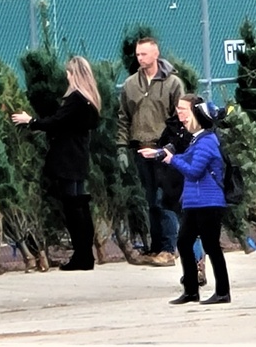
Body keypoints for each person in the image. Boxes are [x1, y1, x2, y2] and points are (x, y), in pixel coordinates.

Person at [11, 56, 102, 271]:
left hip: (68, 158)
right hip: (78, 157)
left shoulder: (76, 99)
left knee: (73, 208)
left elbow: (57, 122)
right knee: (80, 205)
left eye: (69, 73)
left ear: (74, 75)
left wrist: (31, 121)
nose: (67, 77)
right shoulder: (90, 100)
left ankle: (81, 256)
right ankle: (85, 255)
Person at [144, 94, 230, 305]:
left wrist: (171, 159)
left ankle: (222, 292)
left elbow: (193, 170)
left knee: (211, 247)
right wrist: (160, 154)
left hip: (208, 203)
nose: (180, 115)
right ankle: (191, 291)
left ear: (197, 114)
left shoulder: (207, 141)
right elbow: (185, 158)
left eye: (184, 110)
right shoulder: (196, 140)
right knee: (183, 243)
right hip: (194, 202)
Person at [117, 37, 184, 267]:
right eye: (137, 54)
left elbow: (180, 119)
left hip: (163, 149)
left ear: (156, 54)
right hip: (140, 148)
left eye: (144, 54)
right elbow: (123, 118)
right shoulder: (130, 85)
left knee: (163, 198)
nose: (140, 58)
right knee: (150, 200)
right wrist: (121, 149)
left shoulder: (173, 83)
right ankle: (156, 247)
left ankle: (168, 248)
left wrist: (172, 147)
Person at [152, 97, 206, 286]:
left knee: (193, 229)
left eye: (184, 108)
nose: (179, 112)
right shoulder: (173, 128)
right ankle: (192, 268)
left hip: (195, 183)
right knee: (185, 229)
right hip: (174, 183)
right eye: (178, 108)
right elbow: (165, 149)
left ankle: (198, 267)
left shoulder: (203, 130)